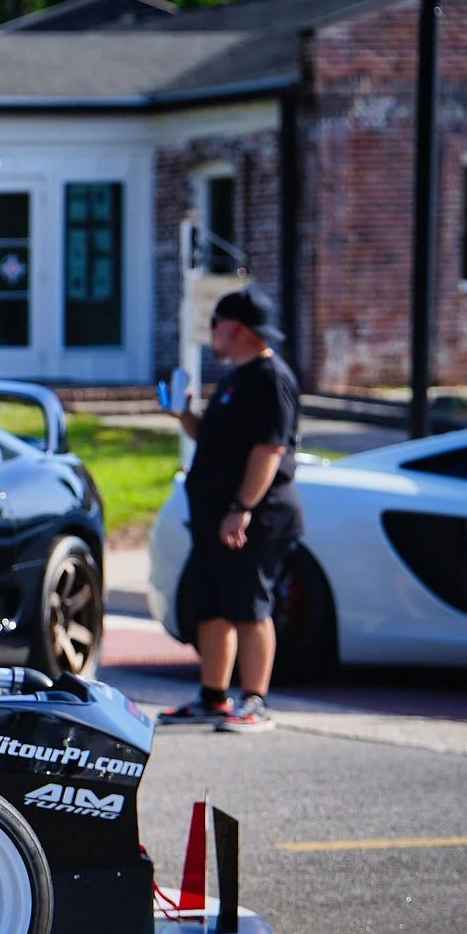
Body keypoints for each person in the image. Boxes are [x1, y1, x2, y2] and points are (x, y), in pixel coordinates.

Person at [159, 286, 302, 735]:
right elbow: (215, 439)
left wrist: (242, 508)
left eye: (215, 324)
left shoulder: (270, 378)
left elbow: (269, 450)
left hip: (254, 518)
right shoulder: (234, 377)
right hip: (215, 518)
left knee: (249, 606)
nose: (211, 333)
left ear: (234, 328)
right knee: (212, 607)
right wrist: (184, 415)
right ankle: (213, 697)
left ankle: (255, 701)